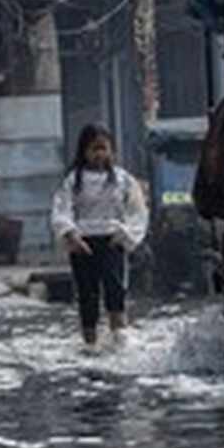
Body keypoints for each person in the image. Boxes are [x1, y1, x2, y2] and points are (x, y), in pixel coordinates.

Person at [51, 124, 149, 352]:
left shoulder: (123, 180)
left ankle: (120, 341)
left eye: (103, 148)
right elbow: (61, 209)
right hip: (82, 243)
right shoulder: (73, 180)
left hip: (112, 241)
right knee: (87, 296)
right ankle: (90, 343)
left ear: (111, 150)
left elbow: (138, 211)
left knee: (116, 292)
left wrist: (125, 234)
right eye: (94, 149)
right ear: (83, 151)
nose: (99, 154)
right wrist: (71, 235)